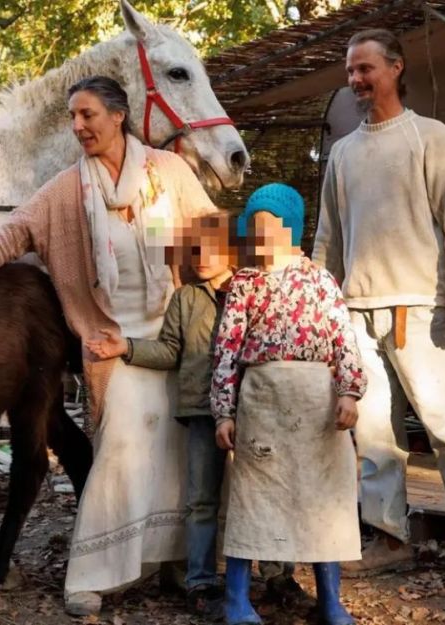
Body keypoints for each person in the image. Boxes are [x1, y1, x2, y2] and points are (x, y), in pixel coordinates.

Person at [0, 76, 219, 616]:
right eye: (73, 117)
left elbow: (213, 232)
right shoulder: (69, 189)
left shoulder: (169, 172)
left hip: (176, 331)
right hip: (110, 339)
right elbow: (7, 238)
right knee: (120, 449)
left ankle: (172, 563)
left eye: (87, 115)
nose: (78, 126)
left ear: (118, 116)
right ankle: (95, 571)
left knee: (177, 453)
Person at [313, 28, 445, 595]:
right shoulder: (342, 153)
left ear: (395, 68)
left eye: (365, 68)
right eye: (350, 71)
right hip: (356, 314)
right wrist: (321, 306)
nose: (355, 80)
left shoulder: (431, 137)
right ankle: (390, 536)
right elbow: (327, 239)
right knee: (373, 435)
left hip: (423, 308)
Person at [85, 214, 298, 619]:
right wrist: (125, 347)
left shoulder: (255, 288)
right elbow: (169, 351)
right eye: (194, 248)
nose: (201, 256)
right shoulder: (186, 299)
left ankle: (277, 576)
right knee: (201, 499)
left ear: (233, 250)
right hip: (203, 410)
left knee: (266, 494)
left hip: (257, 408)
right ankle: (200, 583)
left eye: (211, 247)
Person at [212, 183, 366, 625]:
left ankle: (331, 599)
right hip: (262, 402)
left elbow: (344, 341)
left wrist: (349, 391)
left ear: (291, 230)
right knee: (253, 497)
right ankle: (237, 599)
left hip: (317, 406)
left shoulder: (321, 280)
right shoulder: (244, 283)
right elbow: (226, 349)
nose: (257, 239)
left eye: (265, 228)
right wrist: (223, 410)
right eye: (252, 229)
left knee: (324, 496)